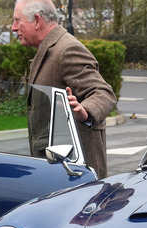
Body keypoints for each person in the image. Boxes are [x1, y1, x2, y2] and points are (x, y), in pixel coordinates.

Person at [12, 0, 117, 178]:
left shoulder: (67, 49)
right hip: (59, 171)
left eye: (17, 21)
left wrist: (85, 112)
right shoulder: (50, 48)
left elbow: (103, 93)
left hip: (76, 176)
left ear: (37, 21)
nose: (14, 27)